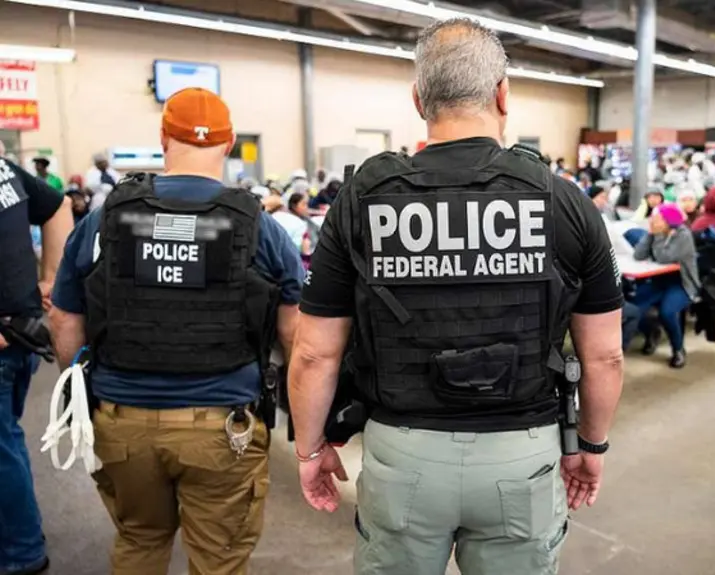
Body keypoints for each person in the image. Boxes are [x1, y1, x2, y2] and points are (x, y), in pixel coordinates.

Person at [287, 18, 624, 575]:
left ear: (420, 100)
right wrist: (591, 445)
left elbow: (314, 352)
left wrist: (308, 448)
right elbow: (604, 355)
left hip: (402, 452)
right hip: (523, 454)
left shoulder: (361, 201)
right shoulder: (565, 202)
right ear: (502, 94)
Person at [48, 87, 303, 575]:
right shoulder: (258, 225)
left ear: (164, 137)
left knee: (139, 540)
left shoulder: (105, 218)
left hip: (122, 421)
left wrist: (85, 389)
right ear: (228, 145)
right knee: (219, 561)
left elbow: (63, 317)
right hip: (222, 427)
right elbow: (296, 332)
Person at [0, 140, 73, 575]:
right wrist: (51, 277)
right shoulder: (4, 169)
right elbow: (56, 205)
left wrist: (51, 278)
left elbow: (56, 205)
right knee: (7, 440)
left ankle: (21, 553)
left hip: (12, 331)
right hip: (21, 327)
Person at [627, 203, 700, 368]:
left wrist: (656, 235)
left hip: (681, 283)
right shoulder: (656, 232)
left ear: (668, 220)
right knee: (633, 308)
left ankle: (678, 349)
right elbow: (638, 255)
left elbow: (663, 257)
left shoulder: (683, 235)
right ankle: (651, 332)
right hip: (658, 280)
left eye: (657, 218)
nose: (653, 221)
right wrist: (650, 235)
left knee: (667, 312)